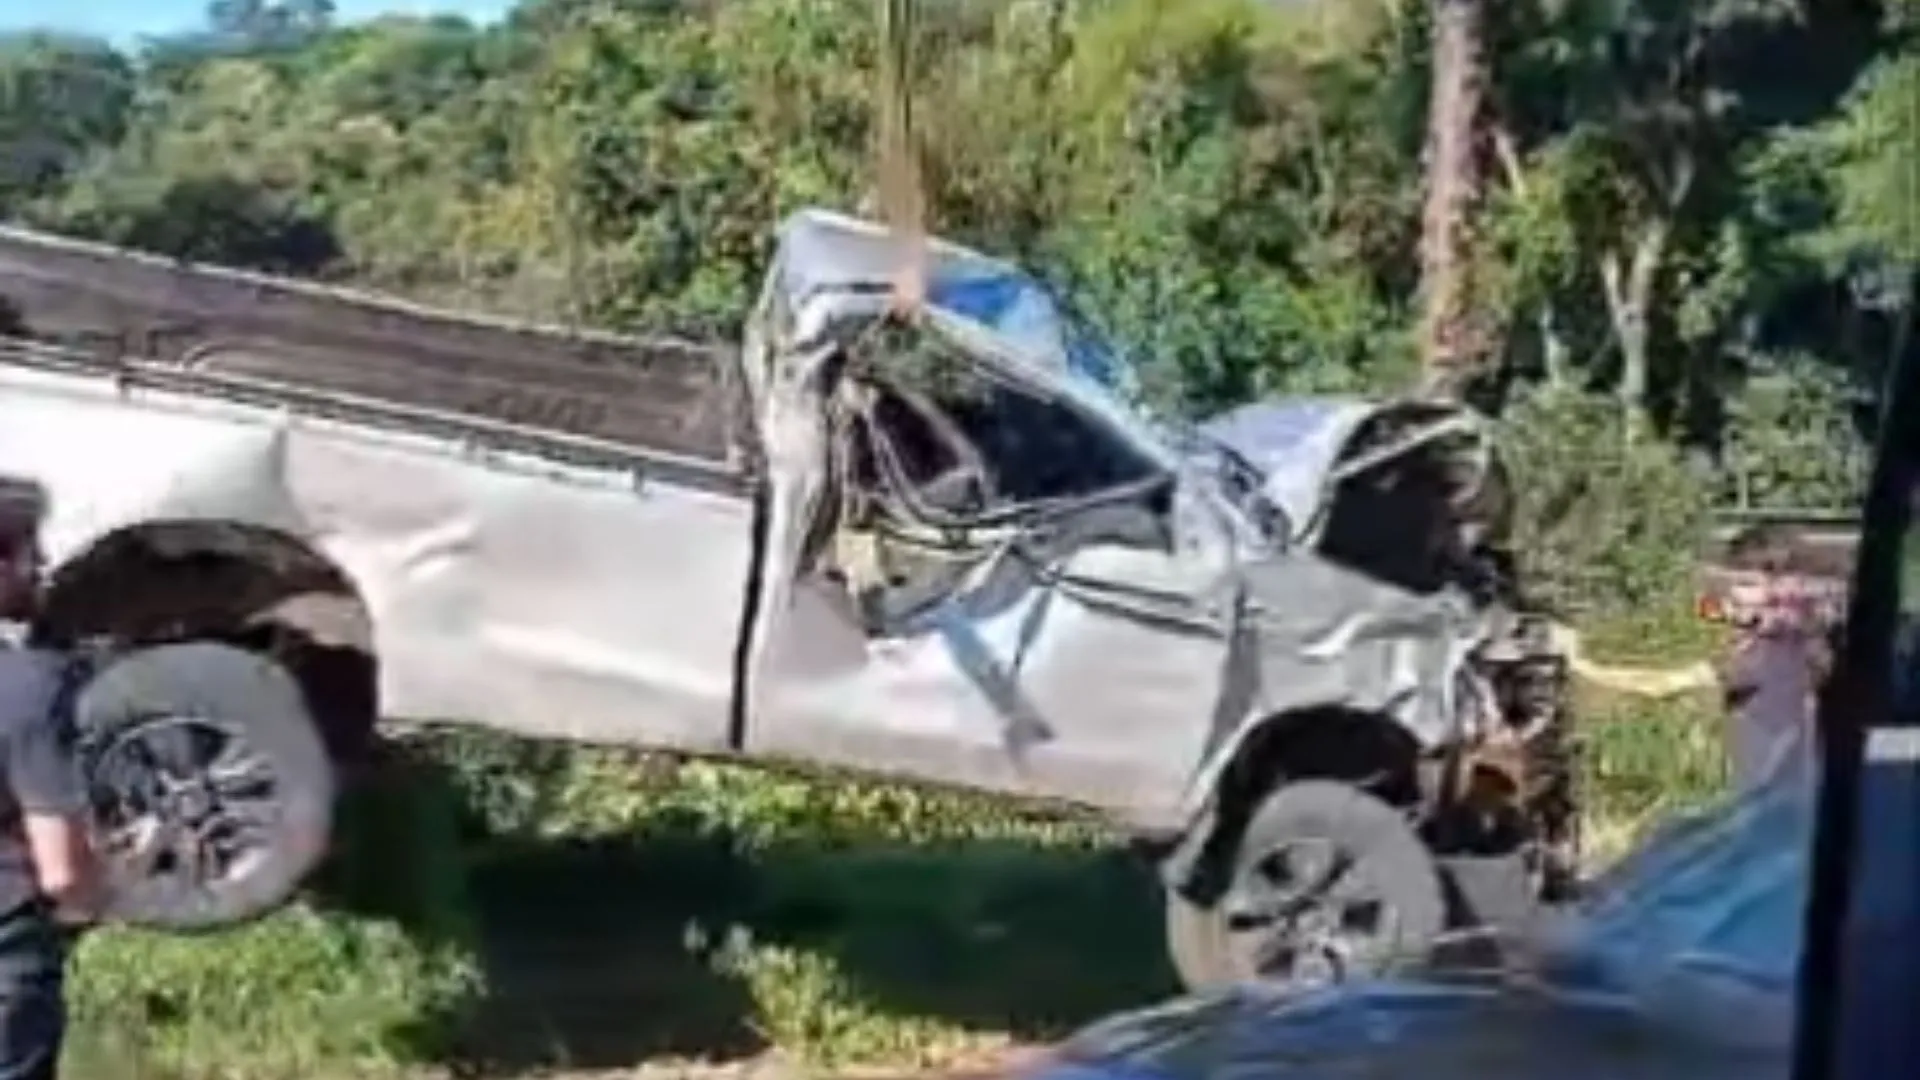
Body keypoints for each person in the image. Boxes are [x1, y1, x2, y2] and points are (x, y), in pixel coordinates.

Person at [0, 478, 101, 1080]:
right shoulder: (27, 688)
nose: (42, 564)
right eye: (28, 550)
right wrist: (96, 897)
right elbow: (62, 871)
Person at [1714, 524, 1830, 795]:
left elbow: (1821, 664)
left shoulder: (1801, 626)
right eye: (1736, 583)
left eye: (1746, 584)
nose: (1734, 593)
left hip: (1789, 729)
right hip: (1751, 724)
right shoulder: (1736, 625)